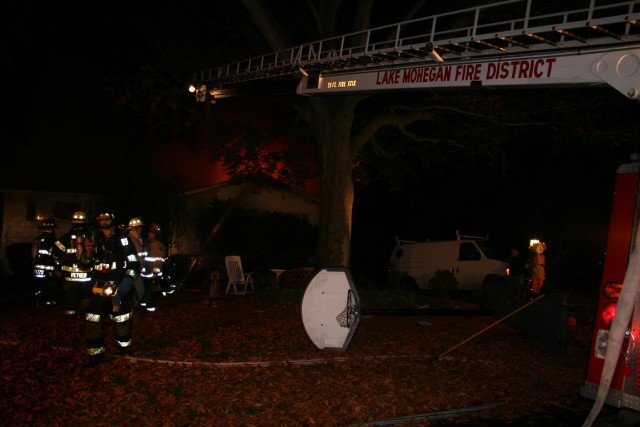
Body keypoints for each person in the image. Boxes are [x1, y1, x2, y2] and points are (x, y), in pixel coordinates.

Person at [81, 212, 141, 367]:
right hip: (97, 288)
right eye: (103, 228)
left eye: (109, 227)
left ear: (114, 226)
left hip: (119, 286)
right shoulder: (94, 241)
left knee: (121, 318)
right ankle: (95, 353)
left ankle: (124, 347)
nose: (107, 231)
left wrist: (127, 282)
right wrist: (87, 252)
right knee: (93, 320)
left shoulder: (124, 241)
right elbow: (84, 264)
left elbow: (134, 264)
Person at [52, 211, 93, 318]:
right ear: (85, 222)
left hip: (70, 276)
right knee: (87, 296)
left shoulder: (65, 237)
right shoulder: (91, 236)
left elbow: (55, 253)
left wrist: (59, 266)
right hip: (87, 276)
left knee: (70, 296)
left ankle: (70, 315)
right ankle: (86, 314)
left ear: (72, 223)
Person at [31, 218, 59, 307]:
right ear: (52, 229)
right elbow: (57, 255)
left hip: (37, 268)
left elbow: (33, 254)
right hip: (50, 268)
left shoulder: (37, 240)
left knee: (38, 284)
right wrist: (58, 267)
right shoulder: (55, 241)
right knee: (50, 286)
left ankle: (37, 301)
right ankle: (49, 304)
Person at [140, 222, 166, 312]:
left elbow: (159, 260)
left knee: (151, 292)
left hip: (153, 274)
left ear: (156, 235)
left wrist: (156, 272)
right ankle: (144, 307)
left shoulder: (159, 246)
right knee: (144, 291)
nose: (149, 234)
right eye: (149, 232)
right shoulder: (147, 244)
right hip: (145, 273)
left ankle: (150, 309)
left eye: (152, 233)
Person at [125, 217, 147, 308]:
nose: (141, 230)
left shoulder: (137, 239)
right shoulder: (131, 239)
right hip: (134, 270)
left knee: (138, 291)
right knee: (138, 290)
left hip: (137, 270)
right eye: (140, 228)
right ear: (135, 229)